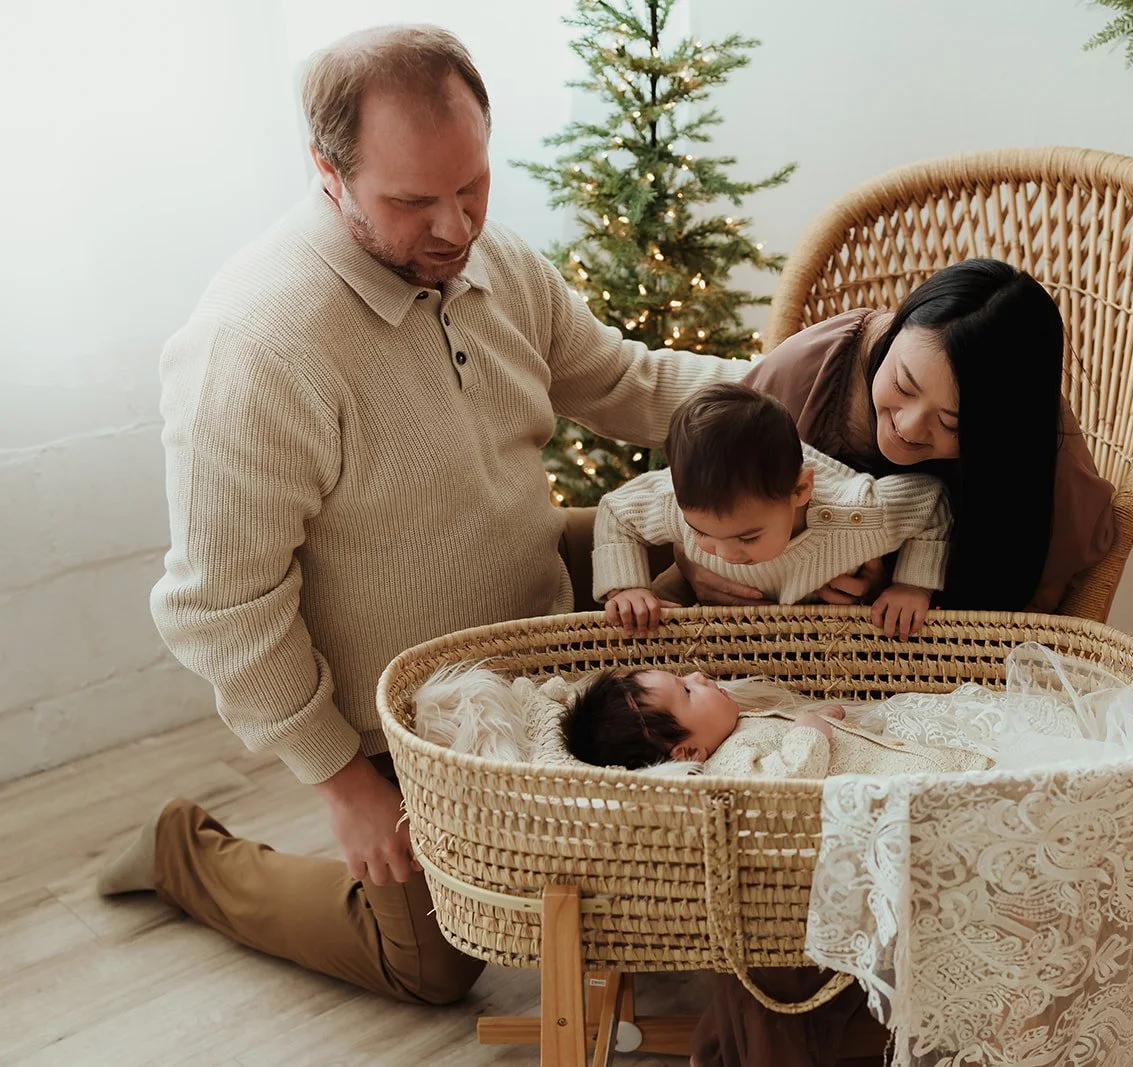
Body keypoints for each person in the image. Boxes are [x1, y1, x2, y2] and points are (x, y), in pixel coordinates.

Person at [93, 24, 742, 1007]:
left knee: (730, 544)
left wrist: (799, 389)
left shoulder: (497, 262)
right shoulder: (256, 346)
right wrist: (342, 782)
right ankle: (185, 853)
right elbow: (219, 605)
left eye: (472, 185)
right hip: (407, 708)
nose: (453, 226)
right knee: (430, 963)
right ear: (328, 173)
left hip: (534, 595)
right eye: (411, 200)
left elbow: (623, 380)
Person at [683, 259, 1119, 1066]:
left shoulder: (1030, 449)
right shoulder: (805, 375)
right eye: (905, 381)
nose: (912, 427)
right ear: (898, 329)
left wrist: (924, 594)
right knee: (785, 863)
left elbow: (1062, 568)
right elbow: (704, 539)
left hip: (924, 694)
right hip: (776, 675)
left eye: (953, 425)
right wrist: (793, 578)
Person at [593, 383, 951, 638]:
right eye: (700, 532)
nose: (726, 554)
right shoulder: (678, 501)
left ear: (800, 490)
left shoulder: (855, 515)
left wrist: (912, 584)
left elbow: (931, 501)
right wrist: (625, 587)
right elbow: (616, 510)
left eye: (747, 537)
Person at [559, 667, 989, 775]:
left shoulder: (733, 729)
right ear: (688, 751)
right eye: (688, 691)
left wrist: (814, 717)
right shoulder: (729, 765)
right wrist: (808, 731)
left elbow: (785, 734)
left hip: (901, 761)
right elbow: (791, 775)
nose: (698, 676)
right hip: (896, 781)